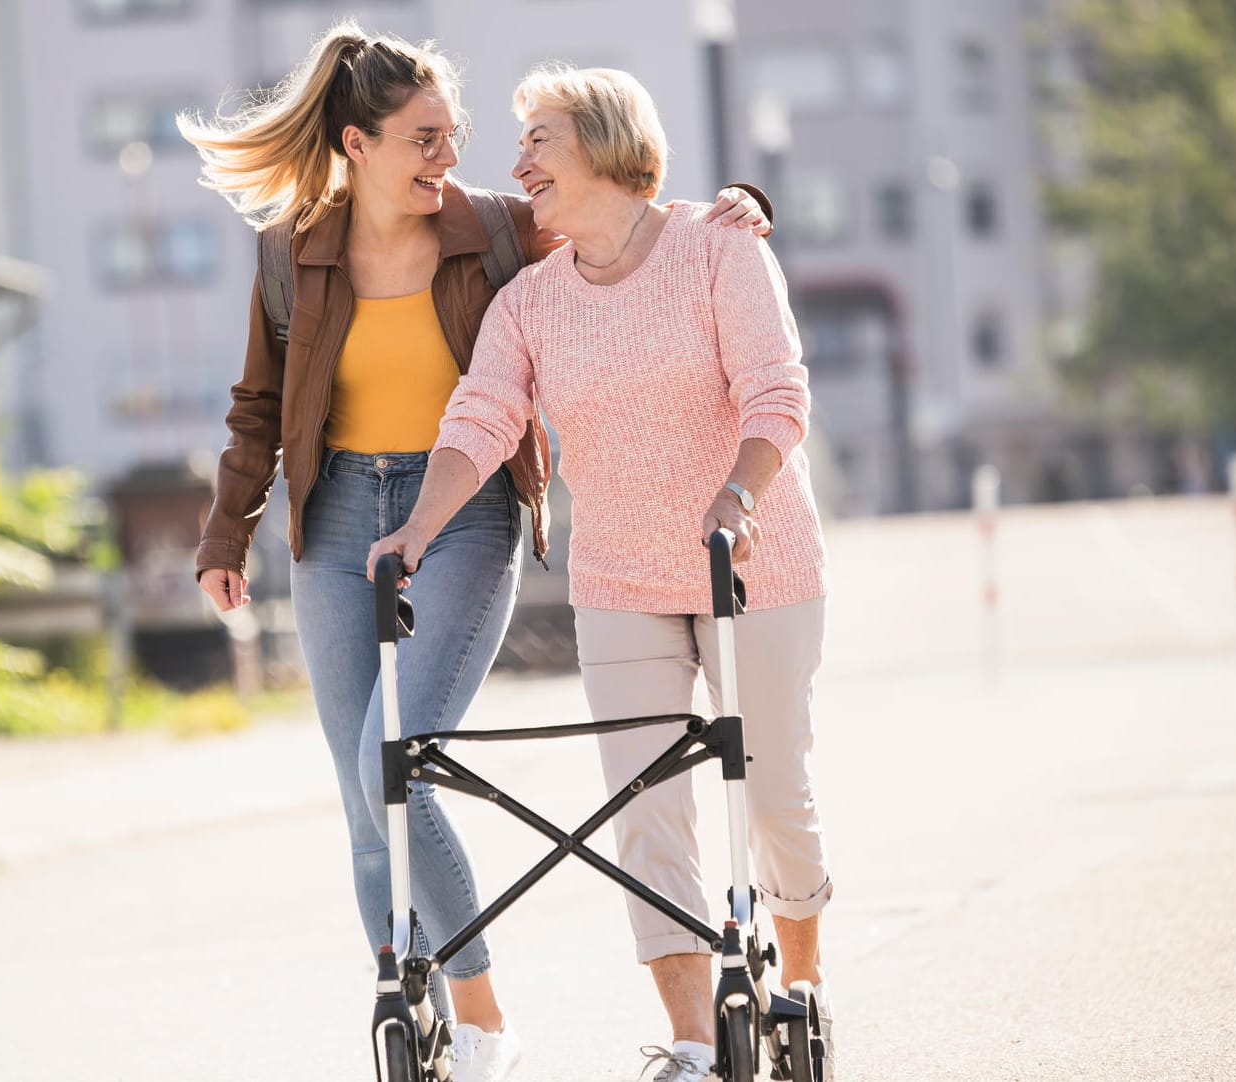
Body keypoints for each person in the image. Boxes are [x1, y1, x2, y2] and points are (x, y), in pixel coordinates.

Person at [179, 24, 772, 1082]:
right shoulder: (292, 252)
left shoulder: (499, 232)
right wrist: (228, 532)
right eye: (426, 138)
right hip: (337, 518)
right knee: (361, 792)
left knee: (390, 764)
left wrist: (733, 204)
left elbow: (626, 228)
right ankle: (413, 1009)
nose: (450, 157)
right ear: (357, 144)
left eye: (451, 135)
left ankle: (483, 1012)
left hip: (464, 508)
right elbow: (259, 405)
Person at [366, 65, 834, 1082]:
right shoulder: (532, 301)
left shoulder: (720, 251)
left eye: (543, 138)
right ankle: (696, 1041)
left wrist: (740, 496)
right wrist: (415, 528)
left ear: (609, 145)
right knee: (645, 801)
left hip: (749, 558)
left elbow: (776, 393)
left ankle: (797, 975)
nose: (520, 159)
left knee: (774, 791)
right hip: (621, 574)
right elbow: (481, 418)